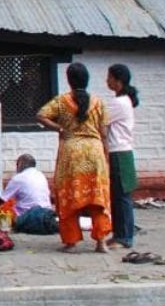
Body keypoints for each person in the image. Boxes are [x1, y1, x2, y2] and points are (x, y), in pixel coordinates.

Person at [37, 63, 112, 252]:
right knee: (98, 198)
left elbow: (41, 115)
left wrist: (60, 128)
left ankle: (71, 241)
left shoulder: (62, 101)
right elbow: (104, 132)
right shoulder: (98, 102)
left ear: (69, 80)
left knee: (69, 197)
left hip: (71, 152)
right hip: (94, 152)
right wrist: (106, 154)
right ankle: (101, 241)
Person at [104, 64, 140, 249]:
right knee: (117, 196)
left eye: (109, 77)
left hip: (119, 151)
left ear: (118, 81)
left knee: (122, 197)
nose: (107, 81)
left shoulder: (119, 103)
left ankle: (125, 236)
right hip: (120, 151)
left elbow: (101, 118)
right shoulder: (122, 100)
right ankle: (119, 233)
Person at [3, 154, 57, 235]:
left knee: (3, 209)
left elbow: (2, 199)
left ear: (21, 164)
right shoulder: (41, 175)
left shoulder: (18, 178)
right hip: (47, 214)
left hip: (27, 216)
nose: (16, 168)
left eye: (17, 164)